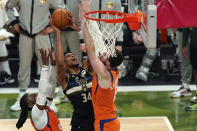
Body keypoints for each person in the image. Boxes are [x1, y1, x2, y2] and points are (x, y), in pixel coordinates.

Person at [5, 0, 67, 111]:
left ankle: (49, 100)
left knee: (48, 68)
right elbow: (8, 7)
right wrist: (13, 22)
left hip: (42, 35)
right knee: (24, 66)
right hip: (24, 34)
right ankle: (22, 97)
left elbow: (64, 11)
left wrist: (52, 27)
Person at [79, 2, 123, 130]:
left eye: (107, 55)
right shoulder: (113, 69)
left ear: (107, 63)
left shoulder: (104, 74)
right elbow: (97, 39)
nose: (105, 53)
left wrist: (84, 25)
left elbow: (91, 52)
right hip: (108, 121)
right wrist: (88, 19)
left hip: (106, 123)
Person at [51, 17, 94, 131]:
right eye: (68, 56)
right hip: (80, 122)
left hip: (97, 117)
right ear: (64, 64)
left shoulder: (86, 68)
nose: (73, 56)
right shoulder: (65, 78)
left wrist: (78, 30)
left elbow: (91, 49)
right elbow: (59, 63)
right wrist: (58, 34)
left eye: (73, 55)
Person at [16, 48, 63, 130]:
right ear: (30, 105)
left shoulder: (45, 107)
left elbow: (51, 86)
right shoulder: (35, 113)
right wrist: (45, 66)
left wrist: (53, 66)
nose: (35, 95)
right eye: (32, 96)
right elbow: (42, 90)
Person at [54, 0, 82, 105]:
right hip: (58, 30)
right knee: (59, 63)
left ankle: (78, 91)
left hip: (74, 30)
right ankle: (62, 92)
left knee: (76, 62)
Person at [171, 28, 192, 98]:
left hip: (187, 28)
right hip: (183, 28)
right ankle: (185, 86)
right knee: (185, 58)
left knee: (185, 57)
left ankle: (185, 86)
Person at [181, 27, 197, 111]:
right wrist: (184, 45)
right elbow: (186, 28)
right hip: (194, 44)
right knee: (195, 69)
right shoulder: (190, 14)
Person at [0, 3, 15, 85]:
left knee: (2, 51)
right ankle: (6, 74)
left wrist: (8, 27)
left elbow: (5, 20)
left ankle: (7, 74)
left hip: (1, 29)